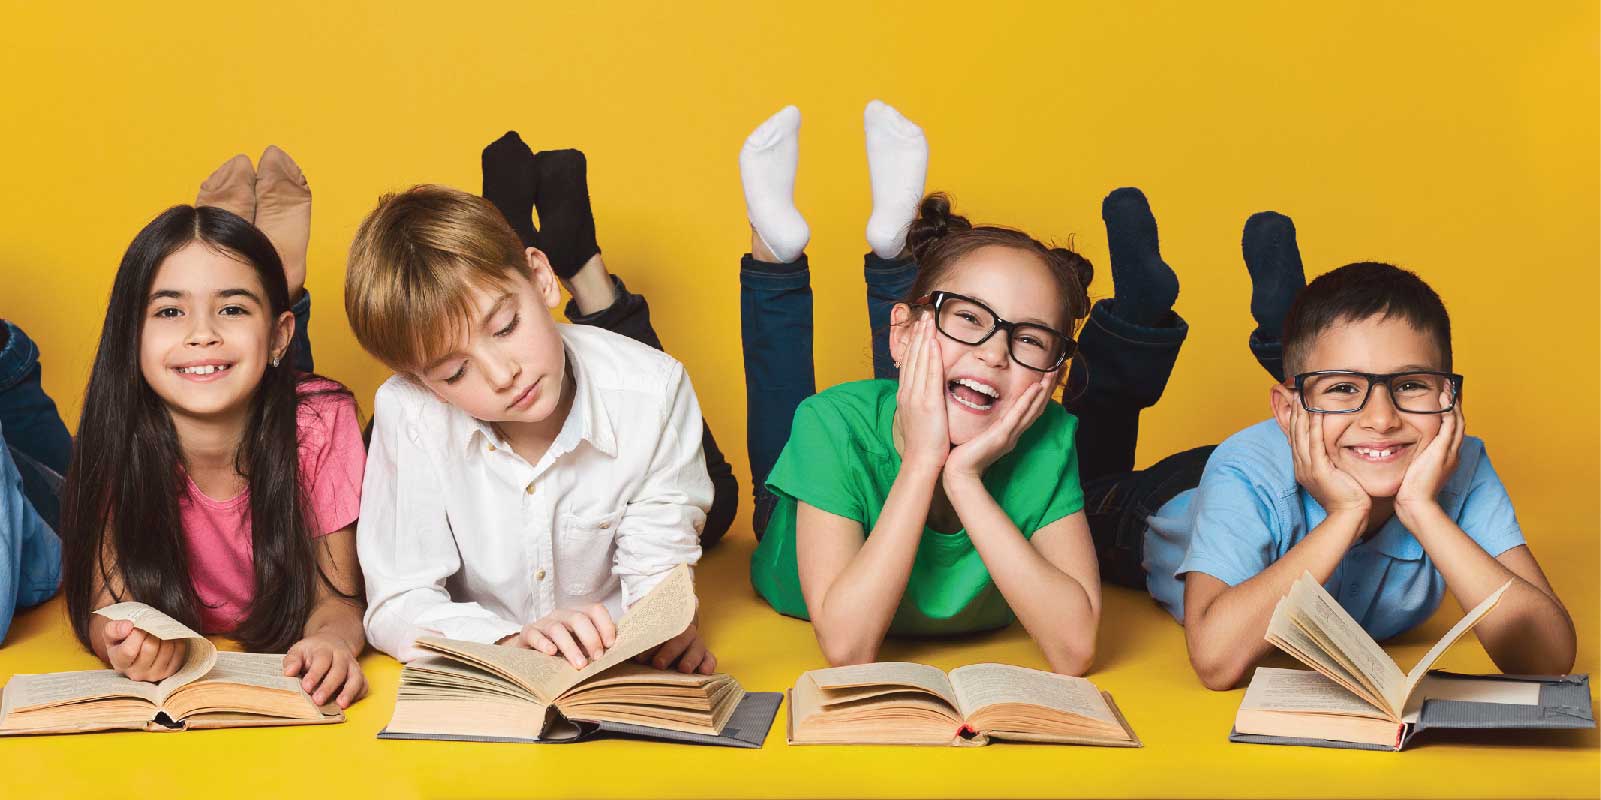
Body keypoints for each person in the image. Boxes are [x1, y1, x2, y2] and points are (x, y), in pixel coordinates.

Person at [1079, 210, 1578, 689]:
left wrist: (1422, 509)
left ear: (1451, 398)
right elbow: (1215, 661)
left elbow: (1548, 658)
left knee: (1335, 371)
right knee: (1083, 478)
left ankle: (1298, 338)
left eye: (1411, 386)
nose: (1383, 419)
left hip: (1324, 445)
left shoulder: (1460, 462)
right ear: (1288, 409)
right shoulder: (1245, 471)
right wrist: (1346, 514)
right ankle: (1134, 325)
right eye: (1344, 388)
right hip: (1155, 503)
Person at [741, 102, 1106, 675]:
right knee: (786, 413)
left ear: (1054, 375)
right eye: (969, 318)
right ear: (901, 333)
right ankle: (776, 254)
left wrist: (961, 478)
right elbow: (847, 649)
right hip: (799, 524)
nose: (993, 352)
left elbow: (1075, 648)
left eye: (1031, 340)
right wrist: (922, 460)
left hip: (908, 434)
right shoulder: (831, 424)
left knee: (934, 373)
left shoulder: (1049, 438)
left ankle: (895, 243)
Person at [346, 178, 718, 674]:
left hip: (611, 661)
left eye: (505, 327)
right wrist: (505, 642)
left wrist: (667, 630)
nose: (503, 376)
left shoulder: (653, 390)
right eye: (455, 372)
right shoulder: (409, 410)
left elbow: (658, 571)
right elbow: (397, 599)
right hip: (494, 676)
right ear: (424, 383)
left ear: (541, 278)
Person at [60, 149, 369, 709]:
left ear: (280, 337)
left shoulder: (324, 422)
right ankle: (270, 271)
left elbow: (339, 601)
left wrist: (329, 640)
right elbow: (108, 606)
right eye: (170, 312)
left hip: (284, 399)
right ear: (131, 336)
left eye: (230, 309)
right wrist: (127, 643)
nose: (200, 334)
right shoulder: (117, 429)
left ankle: (277, 279)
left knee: (281, 397)